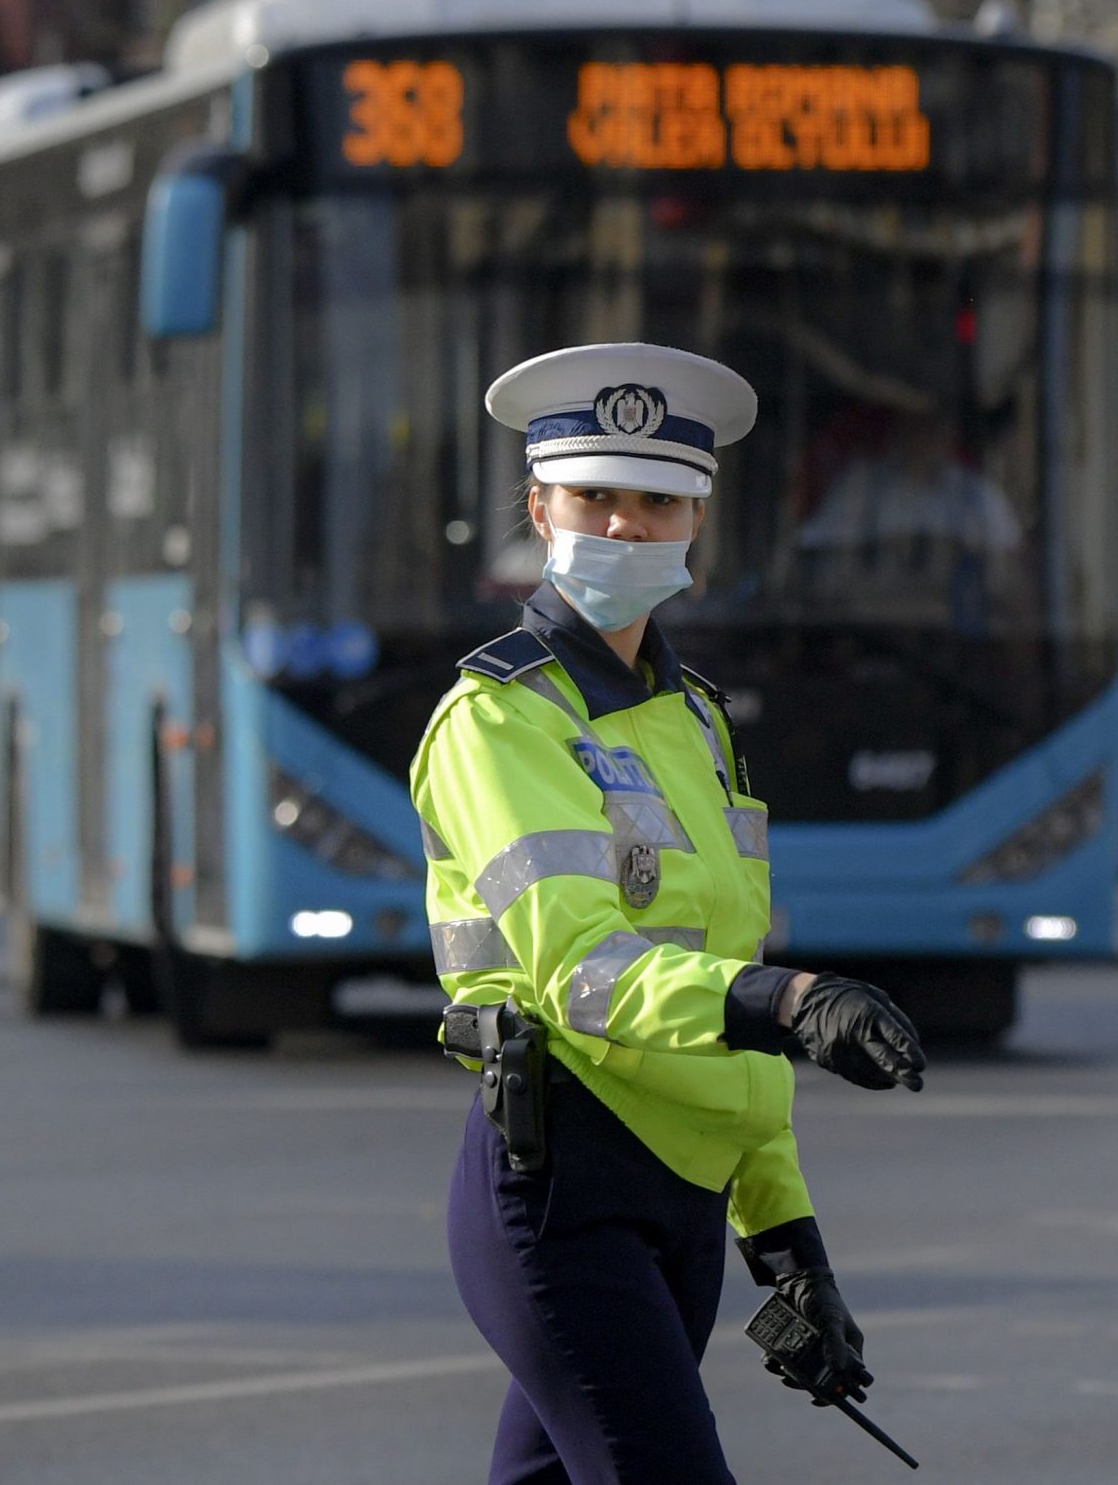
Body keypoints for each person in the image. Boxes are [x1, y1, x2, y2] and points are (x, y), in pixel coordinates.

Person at [414, 341, 929, 1485]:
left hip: (686, 1205)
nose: (624, 527)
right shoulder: (500, 719)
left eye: (657, 501)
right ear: (538, 505)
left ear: (697, 519)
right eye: (593, 496)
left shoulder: (697, 722)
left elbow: (719, 996)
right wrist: (793, 1001)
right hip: (565, 1182)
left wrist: (787, 1245)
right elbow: (581, 970)